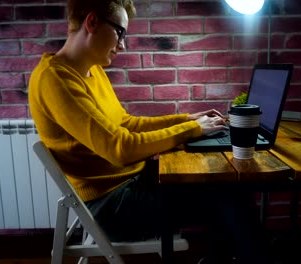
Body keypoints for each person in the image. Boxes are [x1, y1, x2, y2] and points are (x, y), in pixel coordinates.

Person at [28, 0, 266, 263]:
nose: (122, 45)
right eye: (120, 32)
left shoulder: (91, 70)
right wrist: (191, 130)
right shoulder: (55, 79)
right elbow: (120, 149)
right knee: (229, 193)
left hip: (132, 184)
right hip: (113, 204)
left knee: (221, 181)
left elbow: (126, 124)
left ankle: (229, 256)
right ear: (92, 22)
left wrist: (186, 119)